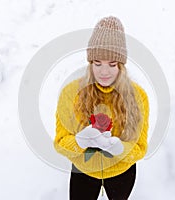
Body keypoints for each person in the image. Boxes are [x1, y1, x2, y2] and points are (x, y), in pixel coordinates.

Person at [54, 16, 149, 200]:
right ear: (90, 63)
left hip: (122, 172)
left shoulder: (138, 97)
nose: (104, 72)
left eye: (112, 65)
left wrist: (120, 148)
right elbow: (60, 142)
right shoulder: (71, 92)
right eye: (97, 63)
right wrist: (80, 142)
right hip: (84, 172)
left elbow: (140, 148)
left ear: (121, 66)